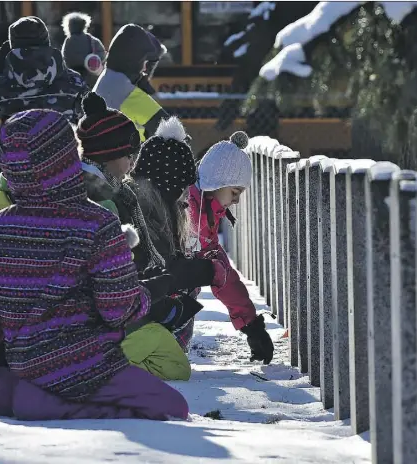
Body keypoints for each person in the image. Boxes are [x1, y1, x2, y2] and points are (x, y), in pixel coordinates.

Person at [0, 108, 190, 420]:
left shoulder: (1, 225)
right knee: (173, 408)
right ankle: (50, 404)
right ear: (67, 156)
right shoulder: (96, 222)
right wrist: (156, 290)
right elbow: (118, 309)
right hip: (85, 367)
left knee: (9, 384)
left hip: (18, 364)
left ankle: (12, 395)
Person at [76, 93, 209, 380]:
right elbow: (120, 274)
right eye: (128, 156)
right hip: (102, 325)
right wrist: (165, 296)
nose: (132, 164)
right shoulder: (105, 201)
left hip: (110, 314)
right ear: (111, 154)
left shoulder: (114, 193)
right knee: (174, 366)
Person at [130, 115, 220, 352]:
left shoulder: (152, 206)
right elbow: (162, 271)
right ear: (168, 185)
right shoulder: (145, 217)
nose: (185, 198)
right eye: (182, 187)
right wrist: (207, 271)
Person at [188, 132, 275, 365]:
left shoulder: (206, 214)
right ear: (217, 181)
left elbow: (223, 274)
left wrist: (251, 325)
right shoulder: (187, 210)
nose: (236, 201)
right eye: (234, 192)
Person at [0, 16, 88, 124]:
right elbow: (88, 112)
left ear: (12, 45)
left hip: (18, 151)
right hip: (63, 150)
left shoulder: (0, 86)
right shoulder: (73, 81)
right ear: (46, 42)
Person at [93, 23, 169, 141]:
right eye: (143, 62)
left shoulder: (106, 79)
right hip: (125, 156)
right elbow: (170, 130)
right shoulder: (125, 91)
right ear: (133, 61)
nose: (144, 69)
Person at [61, 12, 106, 88]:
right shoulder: (92, 40)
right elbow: (102, 55)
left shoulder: (69, 41)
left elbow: (65, 59)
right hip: (91, 77)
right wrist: (92, 61)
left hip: (74, 79)